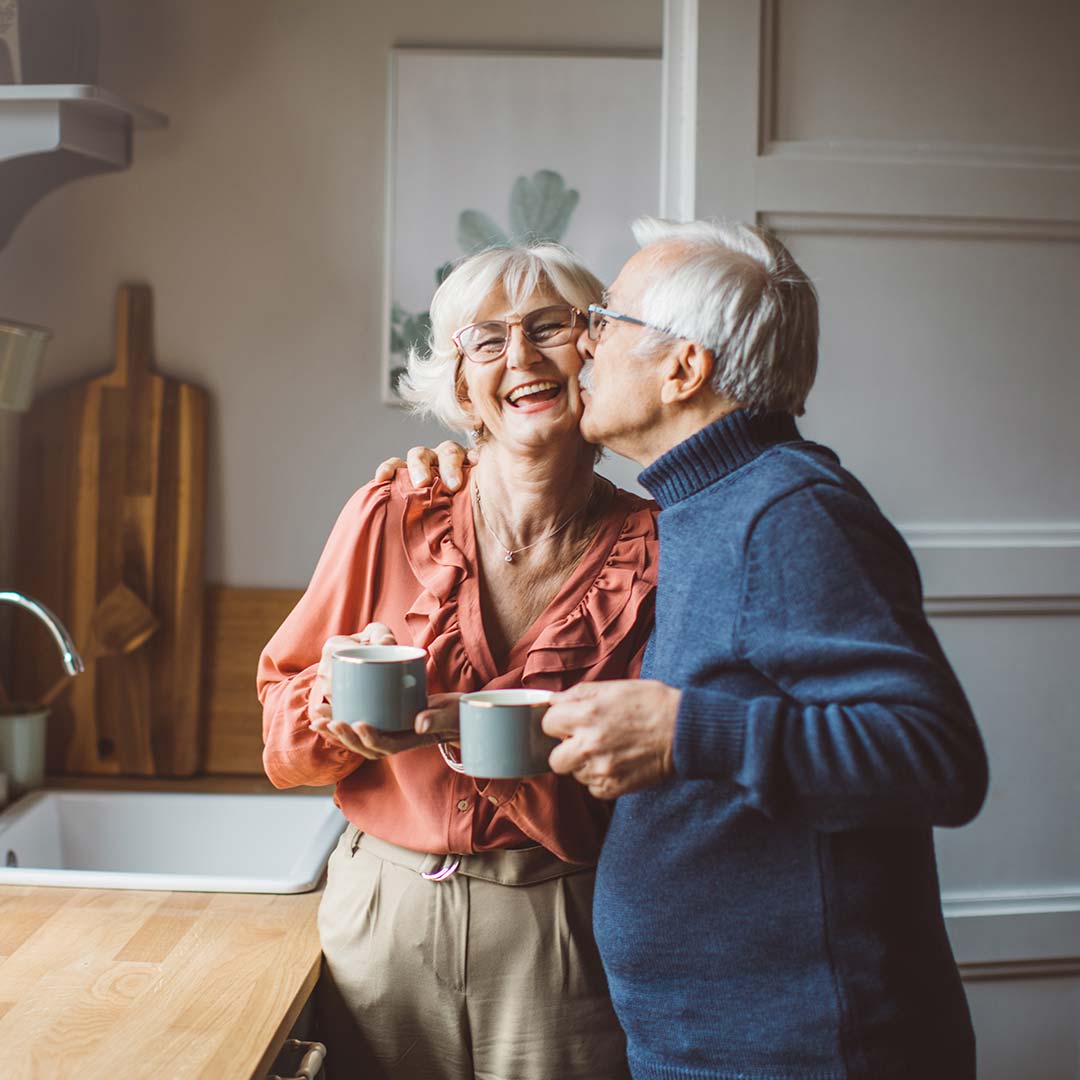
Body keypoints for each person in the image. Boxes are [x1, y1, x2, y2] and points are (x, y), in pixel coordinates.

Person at [377, 218, 990, 1080]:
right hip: (720, 1037)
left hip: (798, 1048)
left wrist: (682, 734)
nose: (582, 347)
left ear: (684, 366)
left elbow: (937, 758)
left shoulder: (788, 512)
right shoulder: (706, 508)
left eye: (605, 322)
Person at [258, 242, 658, 1080]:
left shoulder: (658, 549)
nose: (520, 357)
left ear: (593, 351)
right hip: (383, 919)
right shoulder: (391, 510)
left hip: (565, 923)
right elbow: (280, 738)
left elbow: (670, 775)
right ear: (463, 386)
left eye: (550, 327)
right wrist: (327, 708)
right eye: (486, 340)